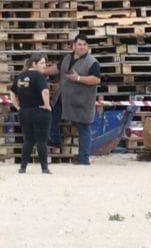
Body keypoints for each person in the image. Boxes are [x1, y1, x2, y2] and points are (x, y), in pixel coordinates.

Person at [57, 34, 101, 165]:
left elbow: (96, 79)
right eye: (79, 44)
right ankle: (54, 140)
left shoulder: (92, 62)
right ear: (74, 45)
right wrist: (42, 71)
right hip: (68, 100)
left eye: (84, 44)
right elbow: (57, 68)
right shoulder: (67, 58)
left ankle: (84, 158)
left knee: (84, 128)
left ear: (87, 47)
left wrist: (78, 78)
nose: (81, 47)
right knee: (53, 116)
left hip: (84, 101)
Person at [11, 52, 55, 173]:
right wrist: (47, 106)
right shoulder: (39, 76)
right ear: (34, 64)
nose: (44, 66)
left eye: (45, 63)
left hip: (24, 112)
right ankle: (44, 168)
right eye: (42, 63)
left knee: (28, 140)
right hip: (39, 112)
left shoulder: (20, 76)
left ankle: (23, 167)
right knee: (41, 141)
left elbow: (12, 93)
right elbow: (45, 92)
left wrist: (17, 106)